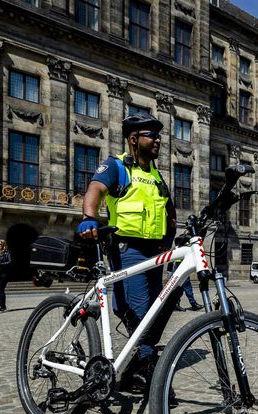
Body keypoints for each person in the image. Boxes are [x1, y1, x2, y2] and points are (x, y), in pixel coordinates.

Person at [77, 110, 178, 391]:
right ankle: (147, 372)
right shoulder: (117, 166)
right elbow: (95, 189)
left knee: (156, 311)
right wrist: (89, 217)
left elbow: (169, 209)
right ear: (134, 139)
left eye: (159, 136)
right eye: (152, 136)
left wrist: (173, 235)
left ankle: (134, 367)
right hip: (127, 248)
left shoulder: (156, 175)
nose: (158, 140)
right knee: (141, 312)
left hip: (156, 252)